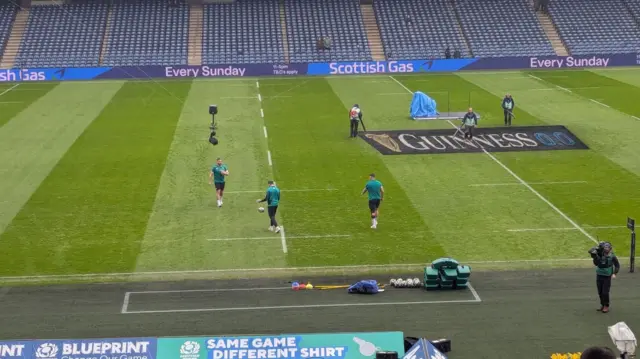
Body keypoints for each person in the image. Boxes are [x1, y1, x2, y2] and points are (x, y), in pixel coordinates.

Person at [593, 242, 620, 313]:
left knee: (605, 292)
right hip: (599, 275)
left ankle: (606, 306)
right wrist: (595, 257)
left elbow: (617, 265)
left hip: (607, 276)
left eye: (608, 248)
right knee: (600, 292)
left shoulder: (612, 256)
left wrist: (614, 273)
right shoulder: (599, 255)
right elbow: (596, 263)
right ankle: (602, 304)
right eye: (605, 247)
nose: (606, 249)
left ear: (610, 249)